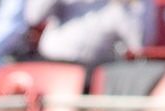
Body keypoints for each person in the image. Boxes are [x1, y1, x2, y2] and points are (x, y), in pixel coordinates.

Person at [22, 0, 158, 66]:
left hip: (92, 69)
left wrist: (124, 5)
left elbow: (141, 45)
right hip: (48, 61)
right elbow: (33, 17)